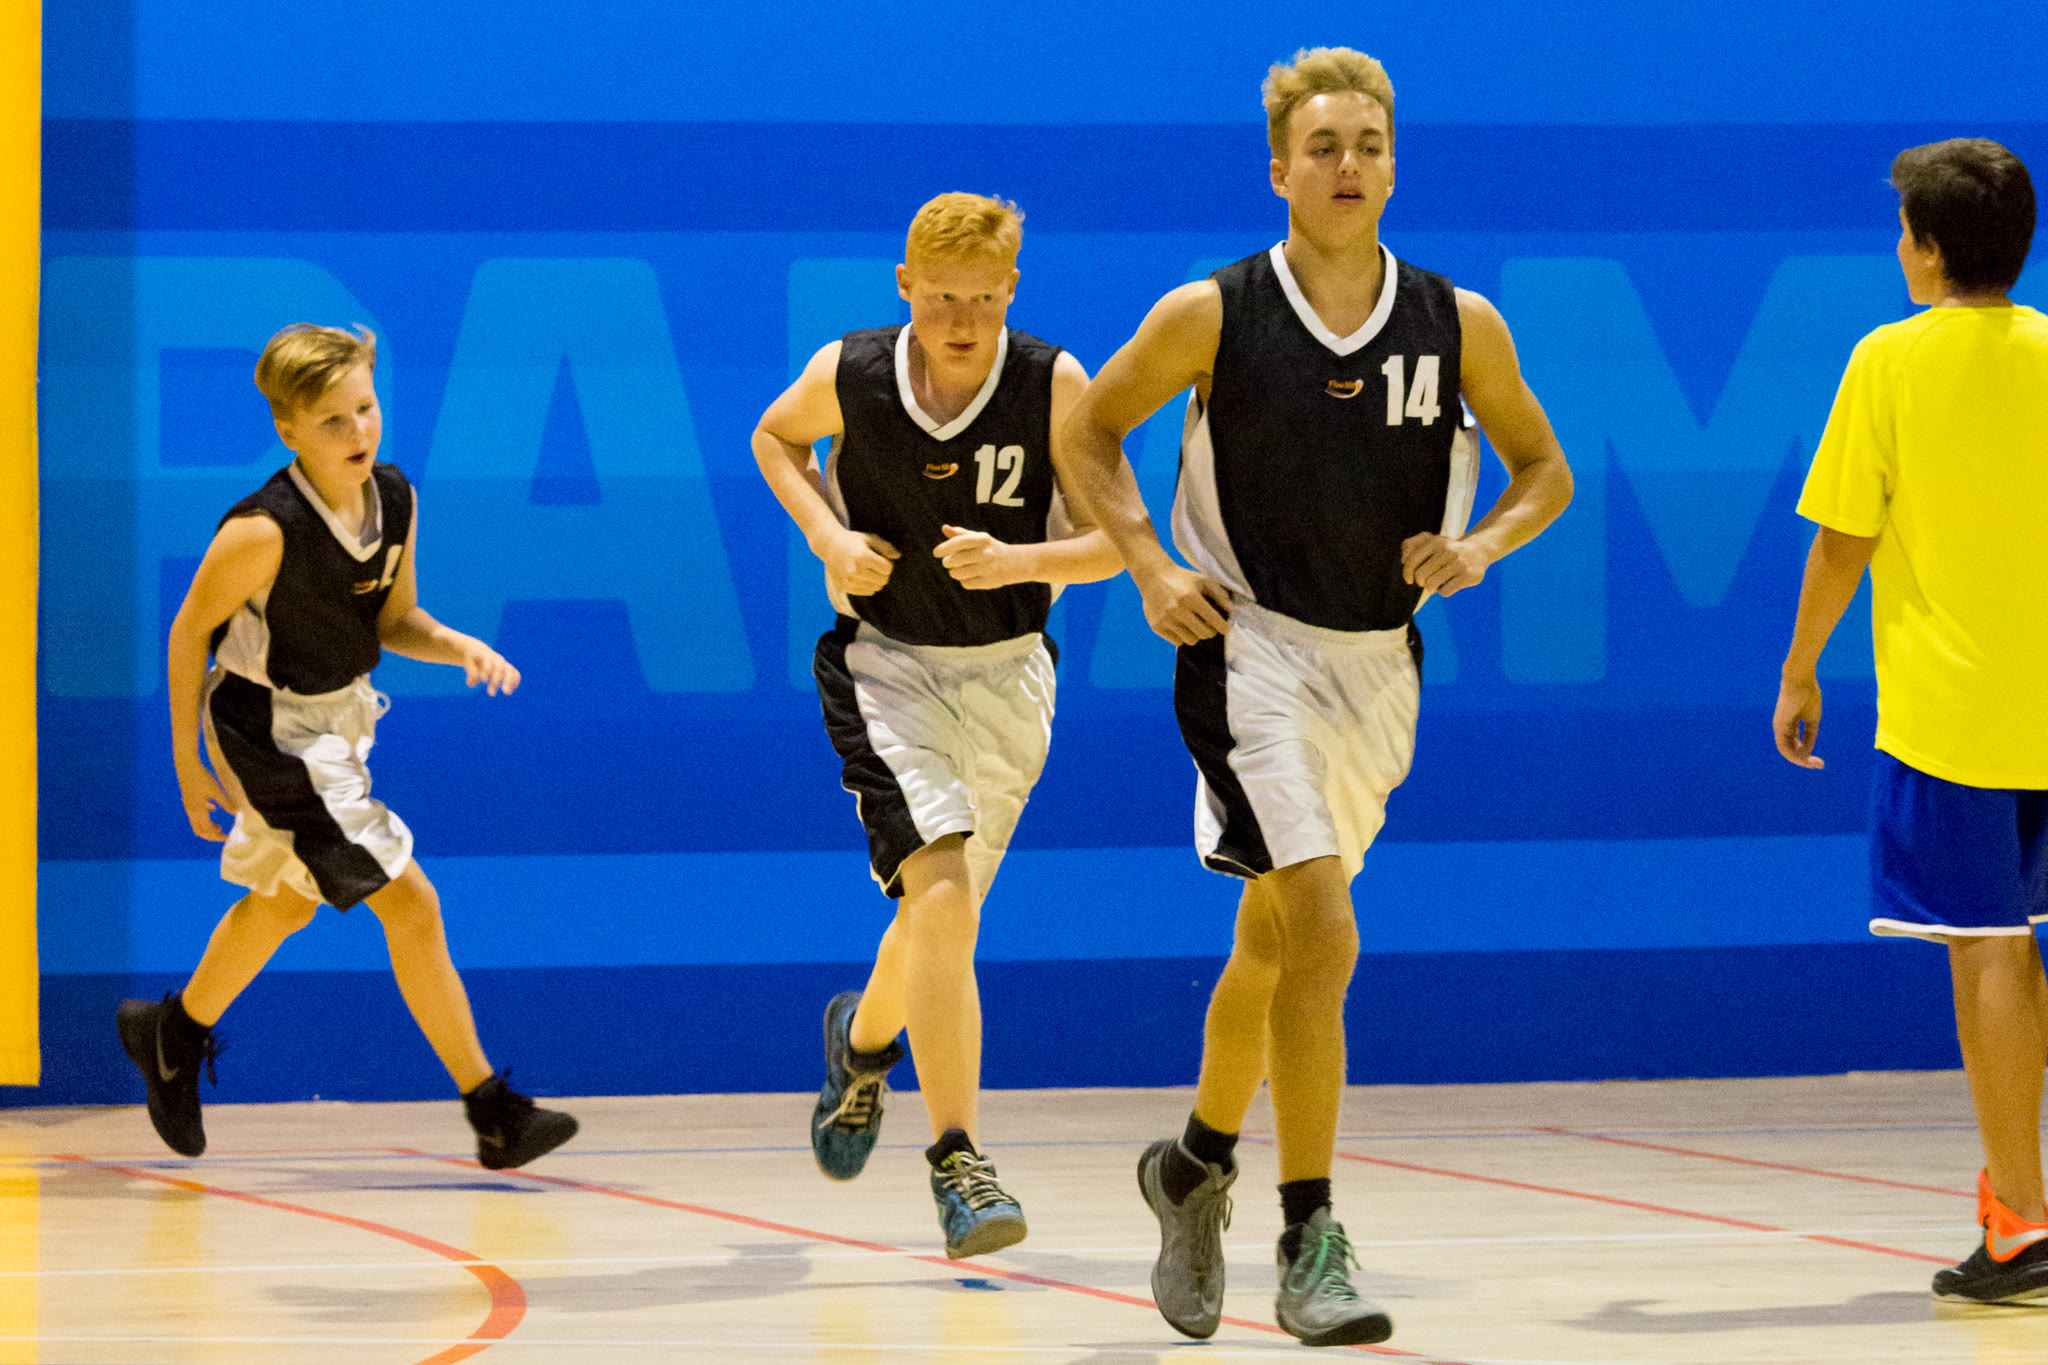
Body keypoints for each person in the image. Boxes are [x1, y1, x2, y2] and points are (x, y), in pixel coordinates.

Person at [1056, 48, 1573, 1347]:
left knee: (1273, 946)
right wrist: (1147, 564)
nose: (1349, 165)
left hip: (1379, 665)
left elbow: (1544, 470)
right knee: (1326, 934)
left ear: (1394, 167)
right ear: (1279, 169)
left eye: (1369, 145)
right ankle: (1309, 1238)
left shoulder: (1459, 321)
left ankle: (1191, 1166)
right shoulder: (1212, 312)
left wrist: (1482, 544)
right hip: (1247, 654)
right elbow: (1087, 429)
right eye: (1325, 146)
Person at [754, 193, 1121, 1260]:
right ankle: (961, 1162)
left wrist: (1021, 562)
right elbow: (774, 438)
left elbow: (1115, 541)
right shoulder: (853, 371)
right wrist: (827, 534)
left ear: (1013, 290)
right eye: (942, 298)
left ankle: (862, 1046)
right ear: (905, 285)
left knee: (936, 923)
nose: (961, 320)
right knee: (947, 902)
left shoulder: (1053, 383)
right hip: (885, 668)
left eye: (983, 299)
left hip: (1010, 679)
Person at [116, 324, 578, 1170]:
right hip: (266, 731)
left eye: (366, 407)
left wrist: (459, 645)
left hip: (334, 722)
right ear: (288, 428)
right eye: (333, 420)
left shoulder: (393, 496)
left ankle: (171, 1034)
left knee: (286, 902)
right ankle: (492, 1109)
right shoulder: (262, 531)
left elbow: (395, 619)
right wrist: (187, 761)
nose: (359, 430)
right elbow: (188, 634)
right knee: (412, 903)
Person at [1775, 138, 2048, 1306]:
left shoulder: (1885, 359)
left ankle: (2019, 1220)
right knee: (2017, 946)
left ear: (1927, 250)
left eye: (1902, 232)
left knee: (1986, 946)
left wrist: (1798, 668)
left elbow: (1843, 537)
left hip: (1953, 716)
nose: (1897, 250)